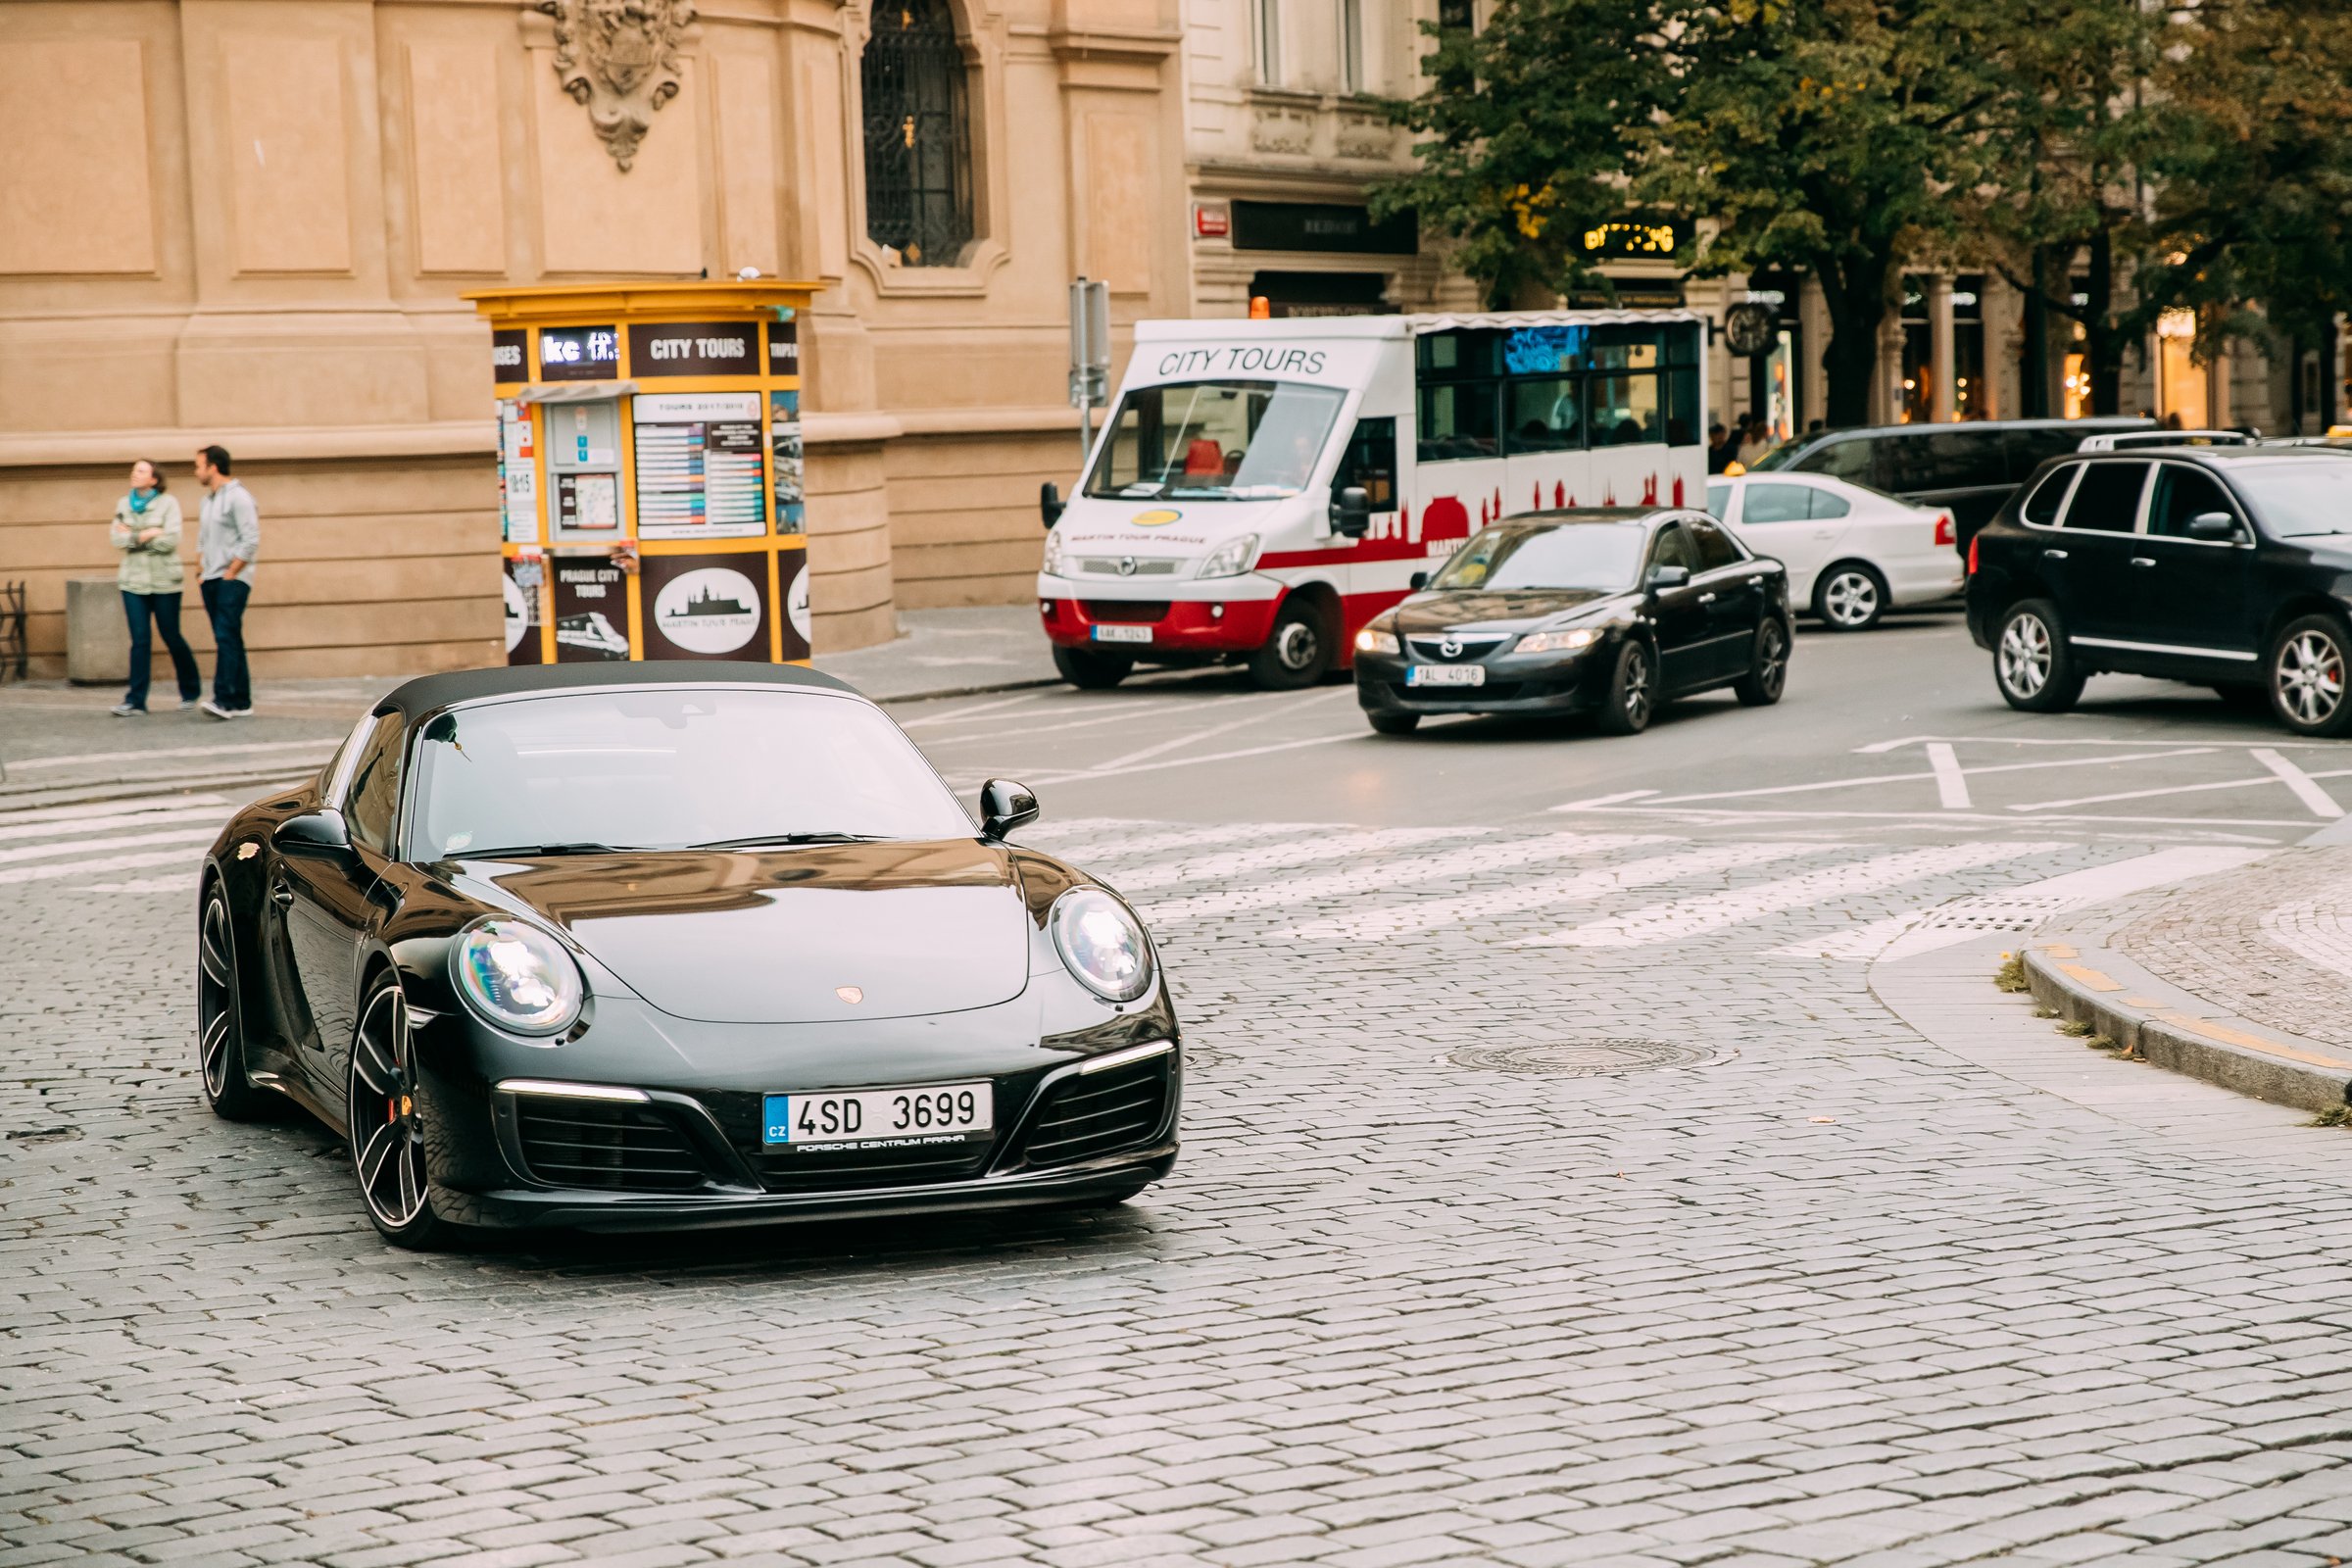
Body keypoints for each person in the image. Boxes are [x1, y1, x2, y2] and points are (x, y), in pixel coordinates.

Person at [109, 460, 200, 716]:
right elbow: (117, 539)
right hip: (133, 582)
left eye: (140, 471)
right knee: (140, 641)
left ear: (154, 479)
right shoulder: (123, 504)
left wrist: (133, 536)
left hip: (164, 582)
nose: (133, 474)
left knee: (171, 635)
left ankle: (190, 690)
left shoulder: (168, 503)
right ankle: (136, 701)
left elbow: (170, 541)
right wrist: (147, 533)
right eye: (134, 470)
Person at [194, 444, 259, 718]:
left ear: (213, 467)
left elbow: (251, 538)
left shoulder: (239, 497)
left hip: (231, 579)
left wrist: (232, 571)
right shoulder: (207, 501)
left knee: (225, 636)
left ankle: (223, 699)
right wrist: (200, 570)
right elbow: (203, 539)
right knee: (230, 638)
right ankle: (241, 701)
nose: (195, 471)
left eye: (198, 465)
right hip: (211, 578)